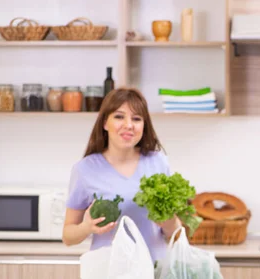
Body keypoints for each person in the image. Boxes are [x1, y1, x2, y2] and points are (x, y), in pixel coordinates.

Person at [62, 87, 180, 262]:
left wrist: (169, 223)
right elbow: (68, 236)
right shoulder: (85, 170)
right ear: (104, 123)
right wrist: (86, 228)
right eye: (119, 117)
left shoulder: (158, 162)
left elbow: (174, 235)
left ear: (144, 125)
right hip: (109, 277)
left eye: (137, 119)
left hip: (154, 274)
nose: (129, 125)